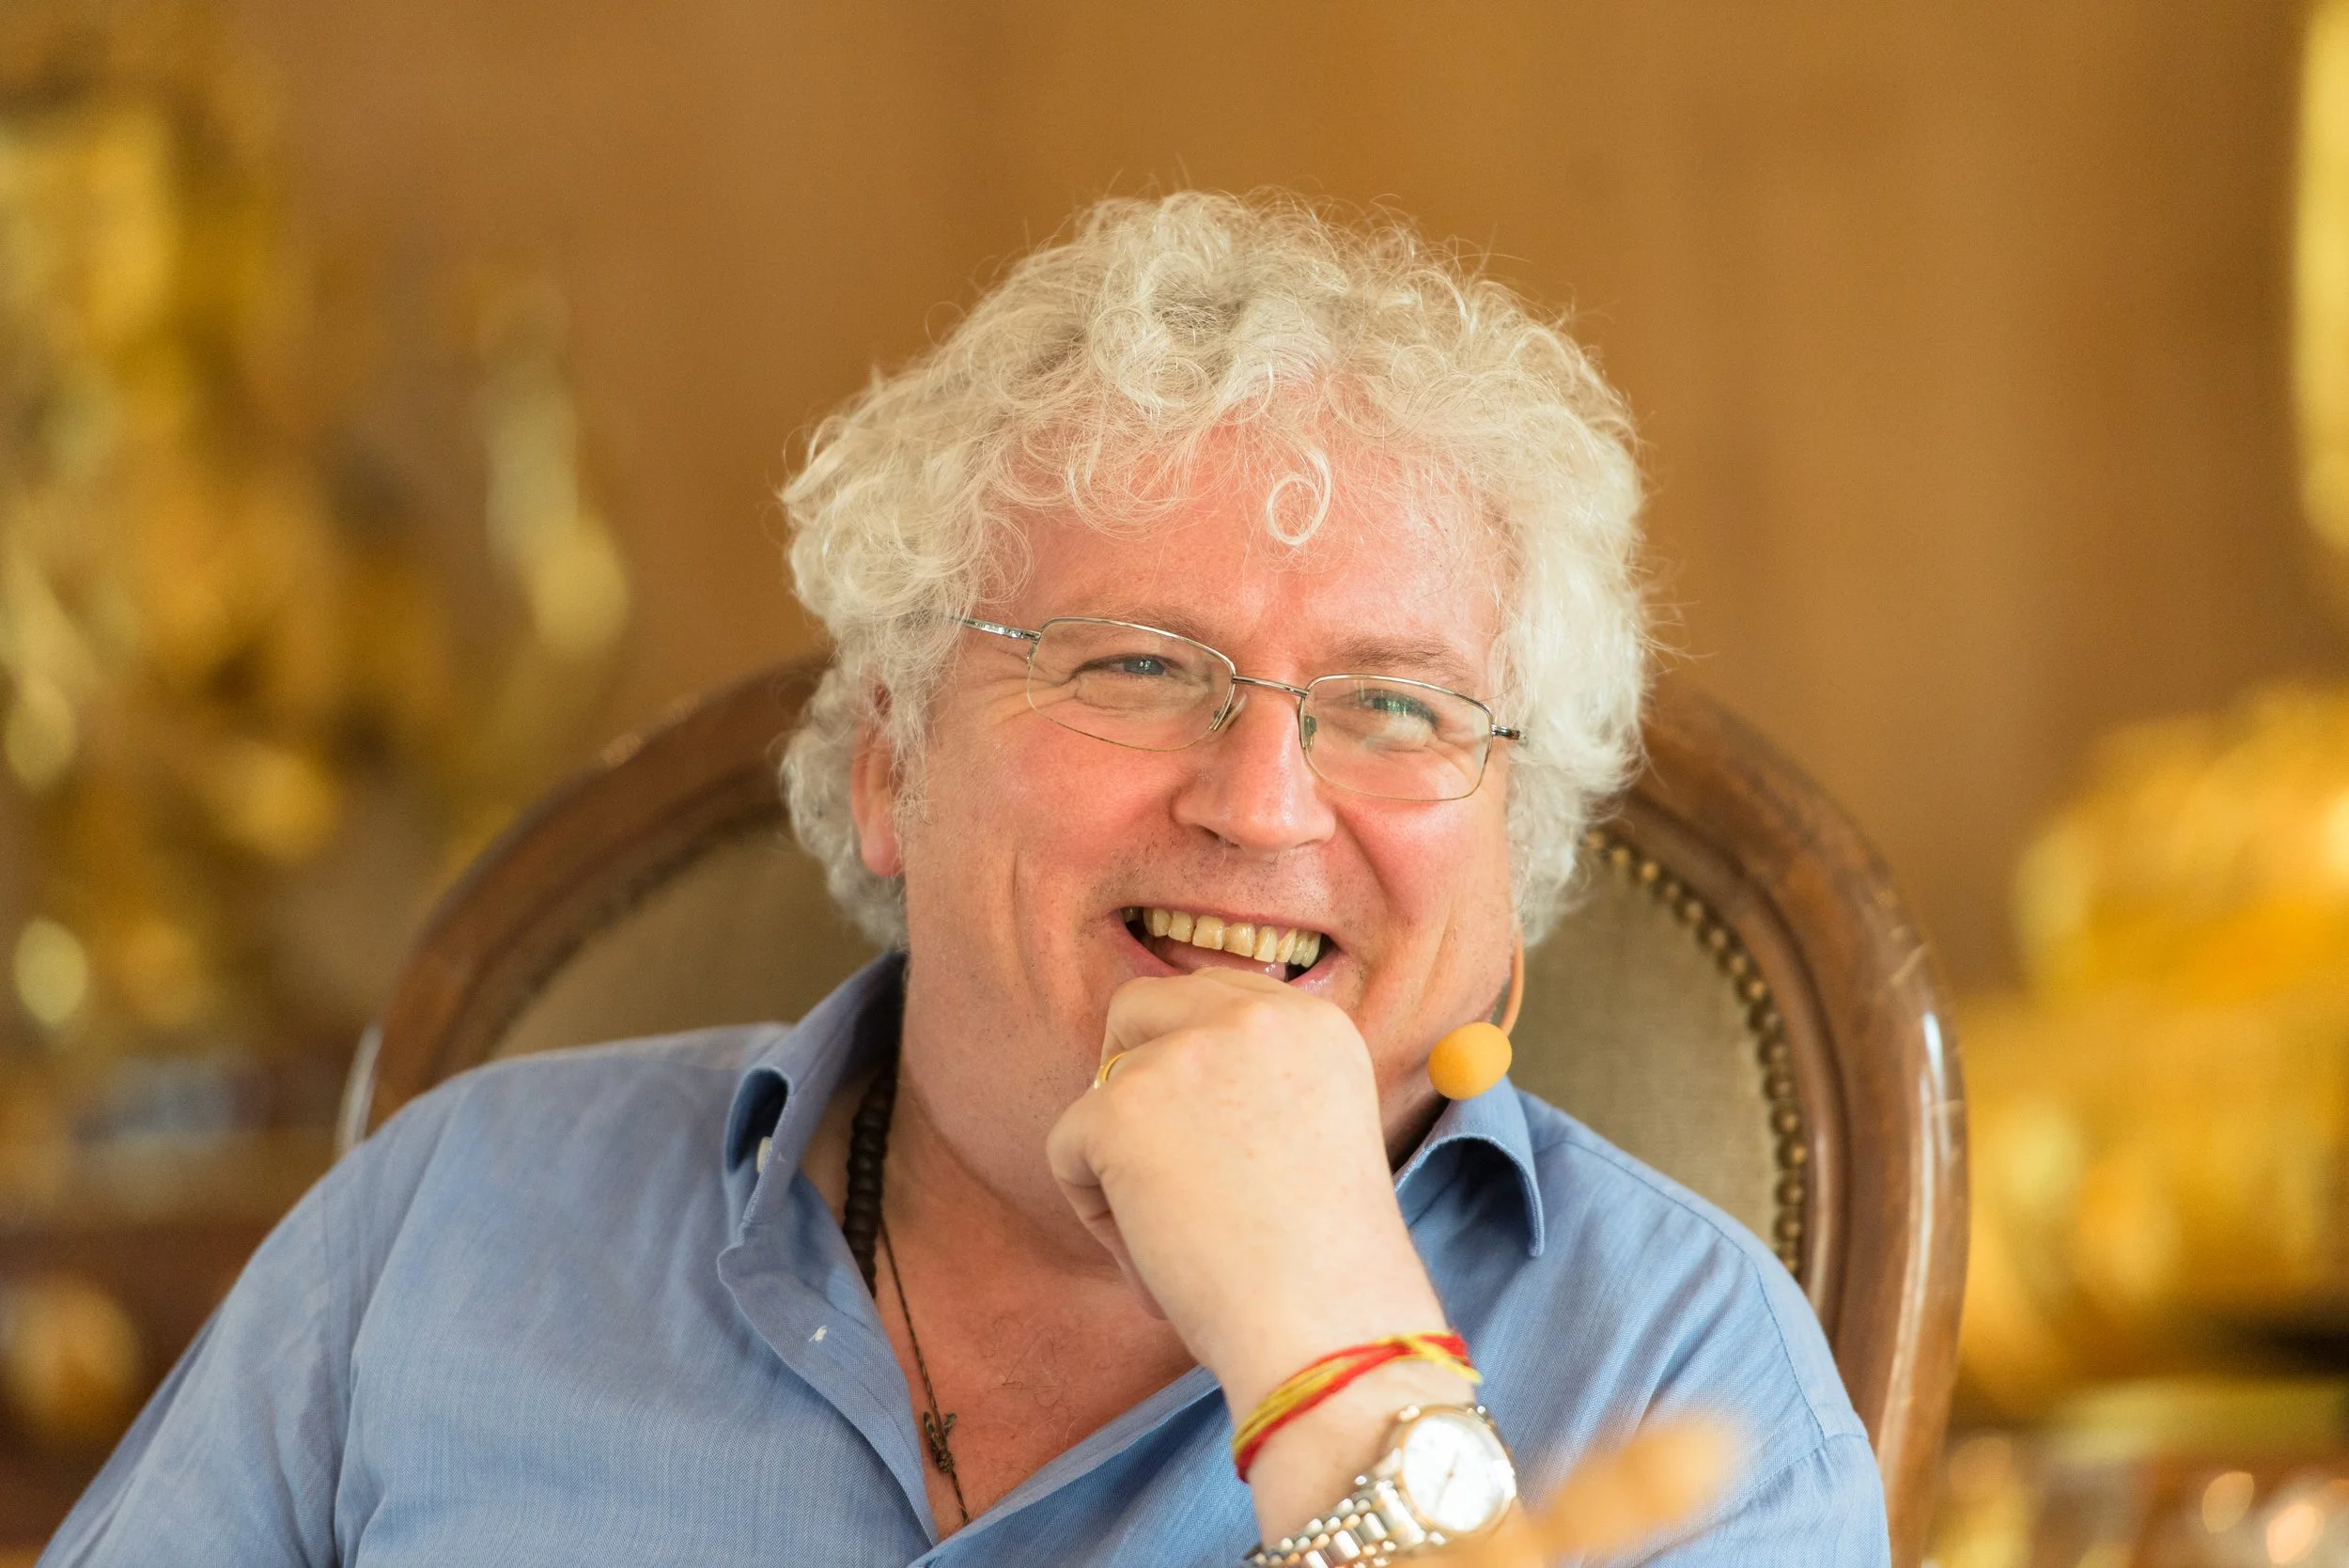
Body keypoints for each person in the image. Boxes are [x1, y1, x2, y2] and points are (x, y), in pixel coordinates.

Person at [43, 192, 1890, 1566]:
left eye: (1392, 702)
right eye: (1135, 666)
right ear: (886, 767)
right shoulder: (445, 1233)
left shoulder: (1684, 1370)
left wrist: (1336, 1354)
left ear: (1511, 858)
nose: (1260, 798)